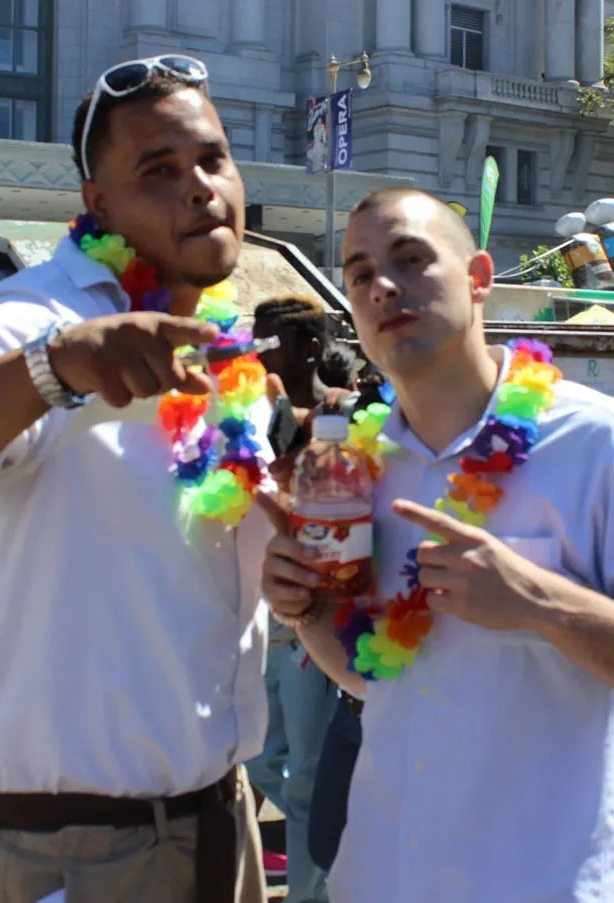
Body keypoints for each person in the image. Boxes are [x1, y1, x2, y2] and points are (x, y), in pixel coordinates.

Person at [0, 57, 271, 902]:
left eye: (213, 159)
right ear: (96, 203)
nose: (199, 187)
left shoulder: (228, 355)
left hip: (221, 825)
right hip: (66, 855)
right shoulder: (28, 318)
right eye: (158, 169)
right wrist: (54, 368)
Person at [258, 187, 614, 903]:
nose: (381, 286)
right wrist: (303, 606)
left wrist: (540, 600)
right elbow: (373, 678)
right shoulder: (357, 469)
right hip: (376, 878)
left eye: (410, 258)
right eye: (359, 273)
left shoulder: (602, 441)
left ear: (479, 277)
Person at [245, 298, 342, 900]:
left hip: (317, 621)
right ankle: (335, 828)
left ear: (309, 347)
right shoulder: (253, 407)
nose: (258, 353)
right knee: (254, 756)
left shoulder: (344, 410)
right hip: (263, 614)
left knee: (306, 771)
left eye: (270, 343)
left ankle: (312, 893)